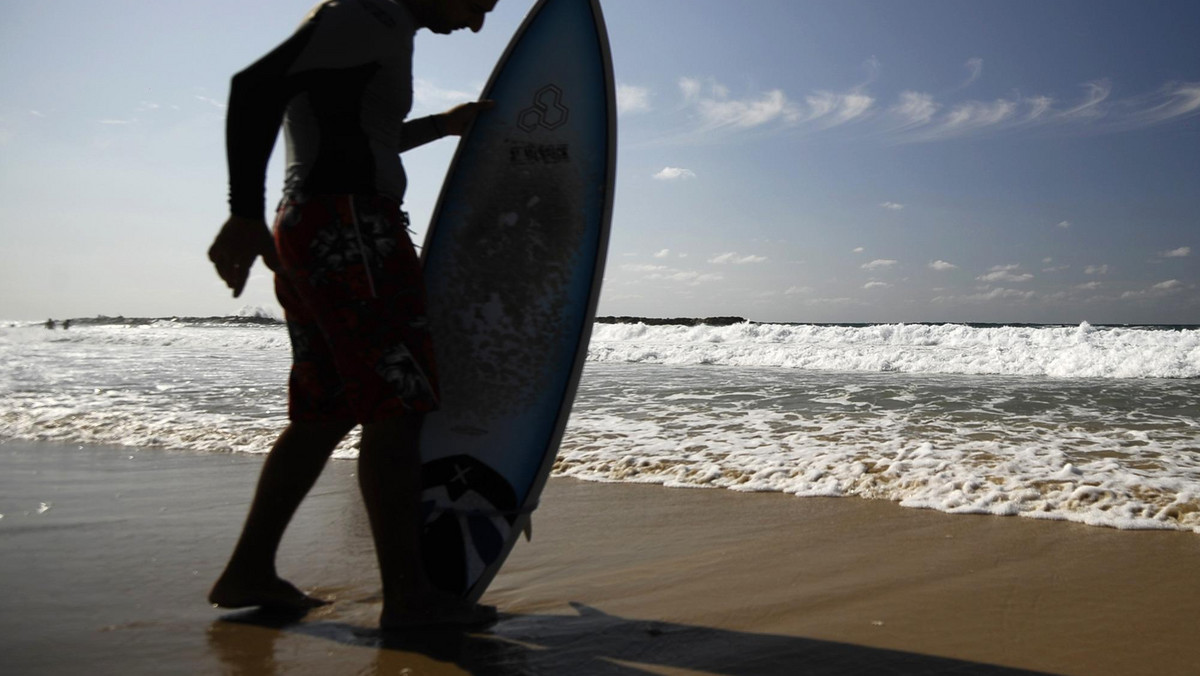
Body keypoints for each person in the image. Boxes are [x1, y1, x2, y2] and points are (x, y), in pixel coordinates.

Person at [206, 0, 499, 629]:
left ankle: (250, 568)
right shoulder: (369, 15)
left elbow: (365, 133)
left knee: (326, 408)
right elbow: (255, 85)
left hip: (318, 224)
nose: (477, 23)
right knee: (398, 403)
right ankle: (409, 599)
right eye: (481, 2)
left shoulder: (378, 25)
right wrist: (241, 210)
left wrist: (442, 127)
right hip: (350, 225)